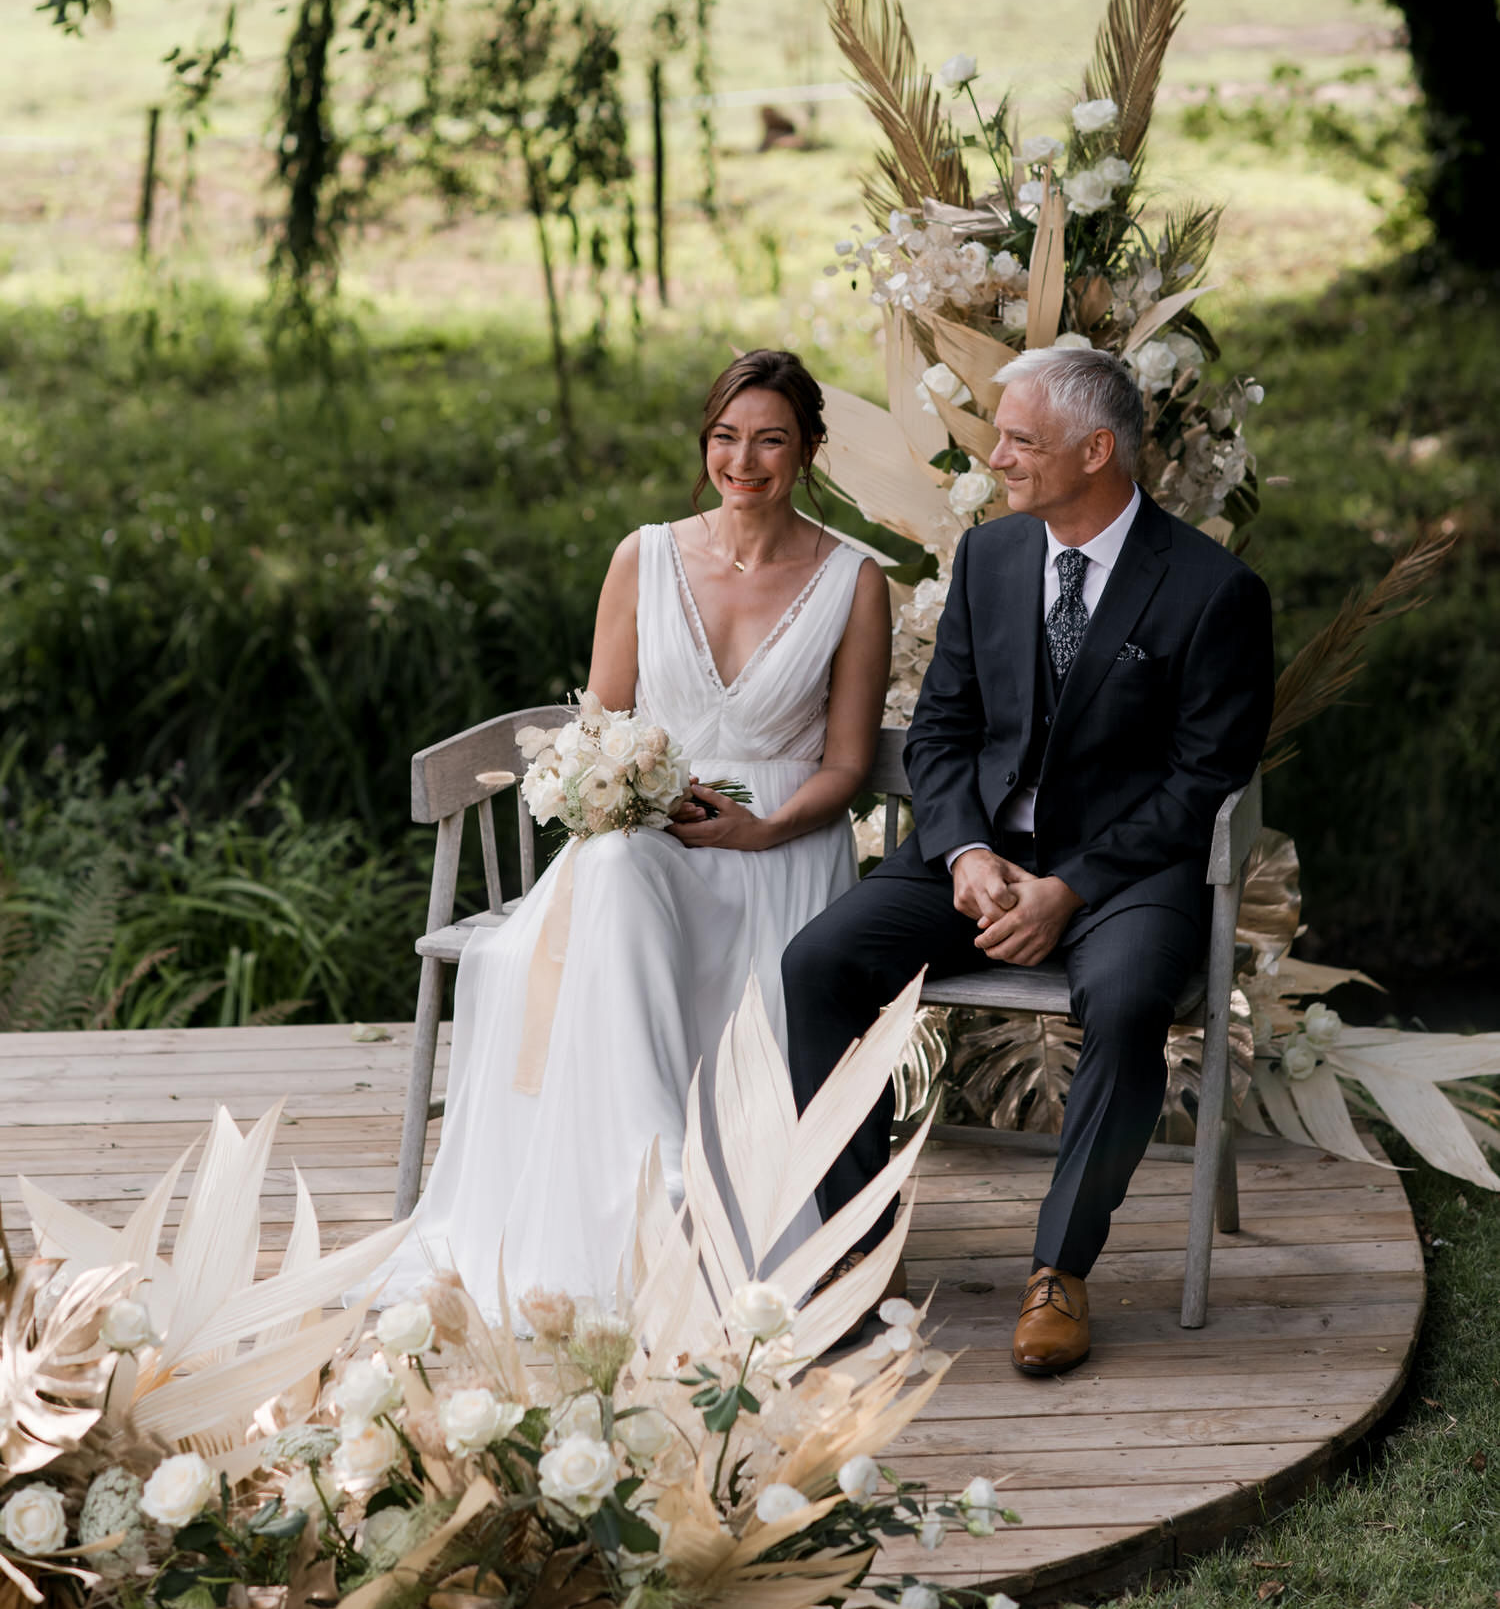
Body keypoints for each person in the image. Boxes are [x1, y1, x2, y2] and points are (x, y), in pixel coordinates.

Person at [782, 346, 1274, 1377]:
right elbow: (941, 731)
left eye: (1018, 440)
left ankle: (1060, 1270)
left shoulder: (1214, 590)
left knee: (1128, 1003)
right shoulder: (991, 556)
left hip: (1127, 876)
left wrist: (1070, 888)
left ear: (1095, 451)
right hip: (980, 857)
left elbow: (1203, 782)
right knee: (819, 963)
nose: (996, 457)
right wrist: (964, 851)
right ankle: (855, 1251)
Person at [385, 348, 891, 1316]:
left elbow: (848, 765)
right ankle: (652, 1167)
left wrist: (762, 829)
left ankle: (707, 1193)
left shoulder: (853, 580)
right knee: (612, 868)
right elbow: (600, 725)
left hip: (780, 844)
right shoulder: (644, 557)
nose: (743, 461)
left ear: (809, 449)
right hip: (653, 832)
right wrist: (618, 793)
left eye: (771, 440)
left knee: (630, 885)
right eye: (725, 438)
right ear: (705, 443)